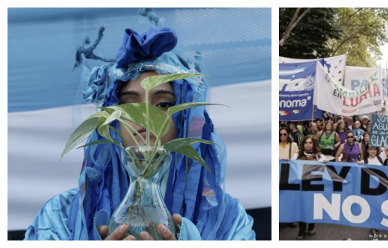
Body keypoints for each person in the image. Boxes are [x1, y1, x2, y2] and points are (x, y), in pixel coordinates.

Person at [26, 27, 255, 240]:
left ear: (186, 120)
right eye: (129, 106)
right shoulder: (59, 218)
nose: (145, 116)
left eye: (164, 104)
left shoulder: (230, 221)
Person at [292, 136, 328, 240]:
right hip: (301, 187)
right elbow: (291, 168)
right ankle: (301, 230)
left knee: (313, 207)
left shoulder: (319, 156)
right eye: (306, 143)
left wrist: (326, 163)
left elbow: (327, 169)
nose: (308, 145)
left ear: (314, 144)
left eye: (310, 143)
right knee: (301, 208)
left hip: (314, 187)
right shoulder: (296, 155)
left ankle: (311, 225)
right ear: (303, 144)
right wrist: (286, 162)